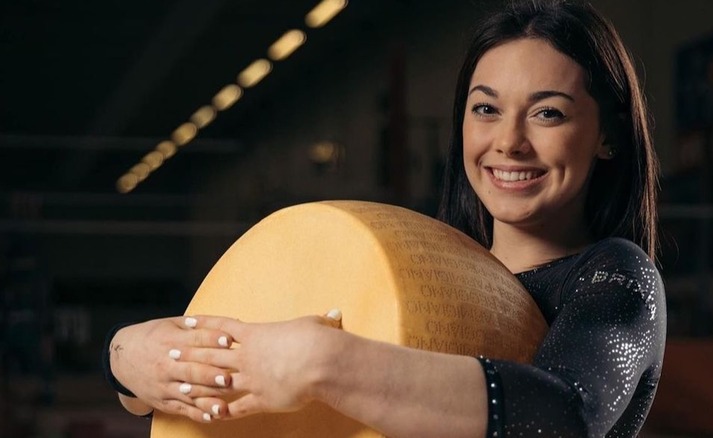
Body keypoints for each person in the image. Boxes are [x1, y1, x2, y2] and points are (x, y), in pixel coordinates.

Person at [103, 0, 666, 436]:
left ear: (607, 138)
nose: (509, 142)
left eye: (547, 113)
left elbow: (563, 414)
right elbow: (243, 365)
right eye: (486, 109)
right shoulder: (418, 267)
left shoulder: (616, 275)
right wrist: (132, 358)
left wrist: (325, 362)